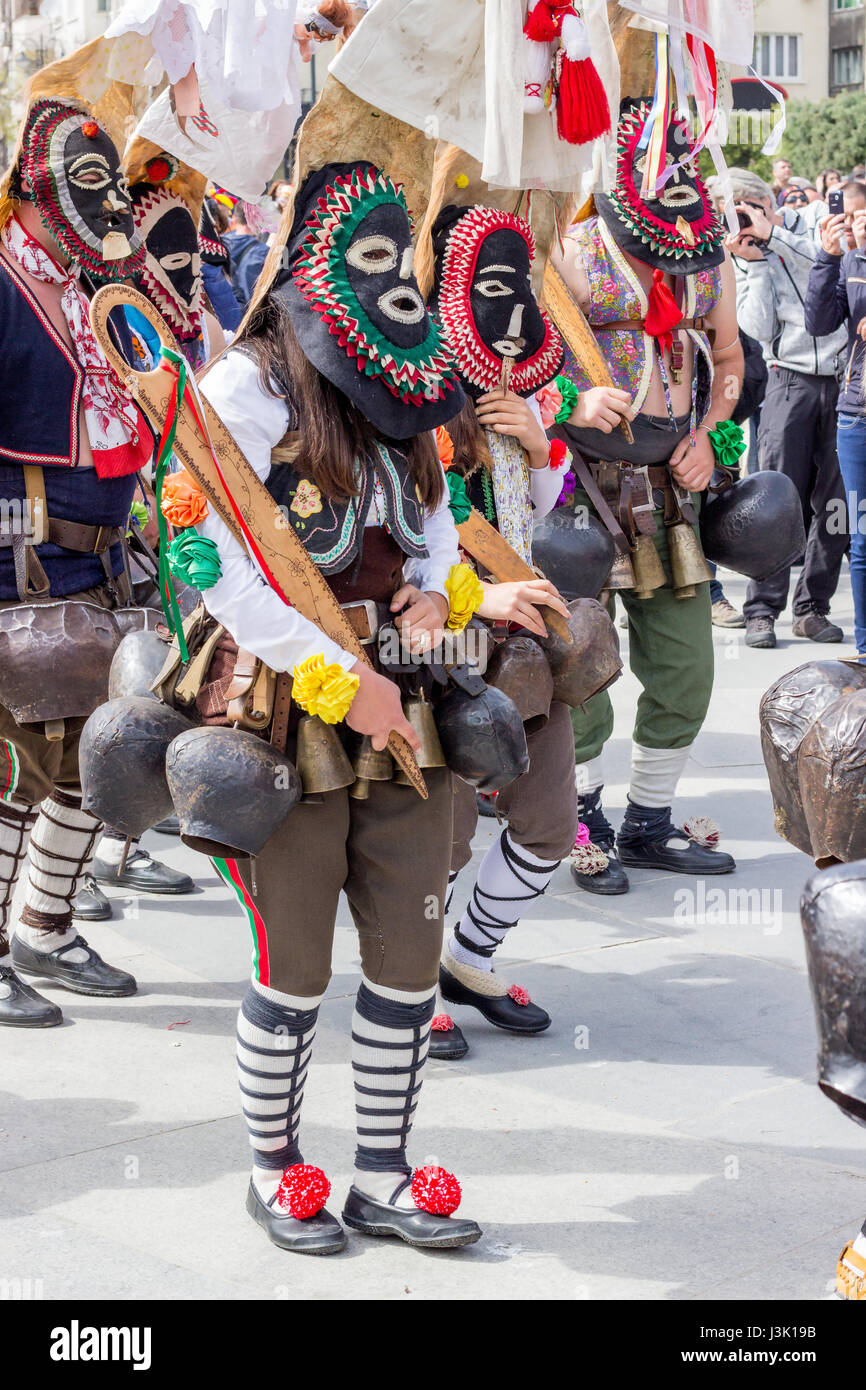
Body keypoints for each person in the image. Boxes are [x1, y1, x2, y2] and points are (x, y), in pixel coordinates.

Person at [192, 159, 483, 1252]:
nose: (388, 273)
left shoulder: (413, 371)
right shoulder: (245, 384)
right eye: (363, 252)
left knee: (408, 955)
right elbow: (209, 565)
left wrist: (431, 589)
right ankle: (274, 1171)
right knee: (295, 962)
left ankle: (382, 1173)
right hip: (284, 705)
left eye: (394, 251)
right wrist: (335, 675)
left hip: (405, 698)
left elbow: (437, 512)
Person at [551, 100, 741, 896]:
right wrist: (568, 401)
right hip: (580, 486)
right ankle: (580, 815)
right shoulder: (565, 244)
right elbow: (503, 359)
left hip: (672, 490)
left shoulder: (710, 258)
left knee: (688, 664)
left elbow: (728, 359)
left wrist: (714, 431)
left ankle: (651, 818)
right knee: (581, 660)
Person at [0, 97, 152, 1026]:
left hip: (109, 562)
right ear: (28, 191)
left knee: (102, 759)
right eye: (81, 186)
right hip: (19, 563)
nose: (104, 210)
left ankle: (45, 925)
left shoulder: (92, 289)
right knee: (16, 769)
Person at [421, 202, 578, 1061]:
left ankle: (465, 956)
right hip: (434, 635)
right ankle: (408, 979)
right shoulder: (410, 384)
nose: (510, 307)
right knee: (437, 835)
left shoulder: (520, 385)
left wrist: (539, 439)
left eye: (519, 285)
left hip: (522, 635)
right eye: (489, 285)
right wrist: (470, 599)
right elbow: (397, 535)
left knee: (550, 817)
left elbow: (531, 513)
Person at [728, 172, 849, 650]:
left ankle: (812, 608)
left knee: (836, 504)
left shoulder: (813, 222)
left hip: (844, 382)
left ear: (767, 202)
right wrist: (755, 266)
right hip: (788, 379)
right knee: (775, 499)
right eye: (734, 210)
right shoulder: (739, 252)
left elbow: (829, 264)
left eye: (749, 207)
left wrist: (775, 236)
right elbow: (755, 328)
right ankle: (761, 609)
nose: (744, 218)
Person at [804, 179, 866, 659]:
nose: (857, 224)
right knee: (862, 540)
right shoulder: (846, 262)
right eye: (851, 215)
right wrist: (828, 258)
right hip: (857, 414)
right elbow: (820, 323)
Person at [222, 201, 268, 310]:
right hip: (247, 315)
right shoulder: (262, 252)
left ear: (234, 218)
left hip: (222, 314)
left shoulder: (218, 244)